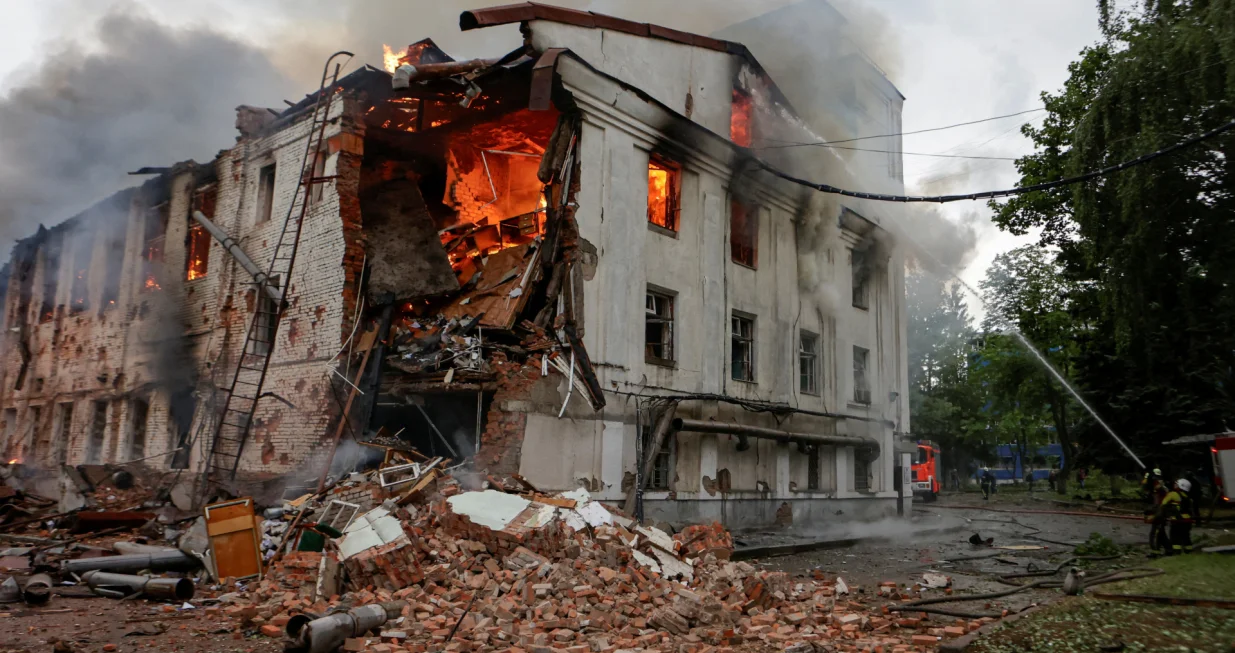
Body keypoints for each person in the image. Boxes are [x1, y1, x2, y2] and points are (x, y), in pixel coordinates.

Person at [1156, 479, 1196, 555]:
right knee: (1186, 536)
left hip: (1177, 520)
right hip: (1188, 521)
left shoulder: (1173, 494)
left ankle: (1176, 552)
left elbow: (1163, 504)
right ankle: (1188, 551)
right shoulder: (1188, 497)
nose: (1175, 485)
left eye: (1176, 484)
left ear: (1181, 486)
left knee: (1175, 536)